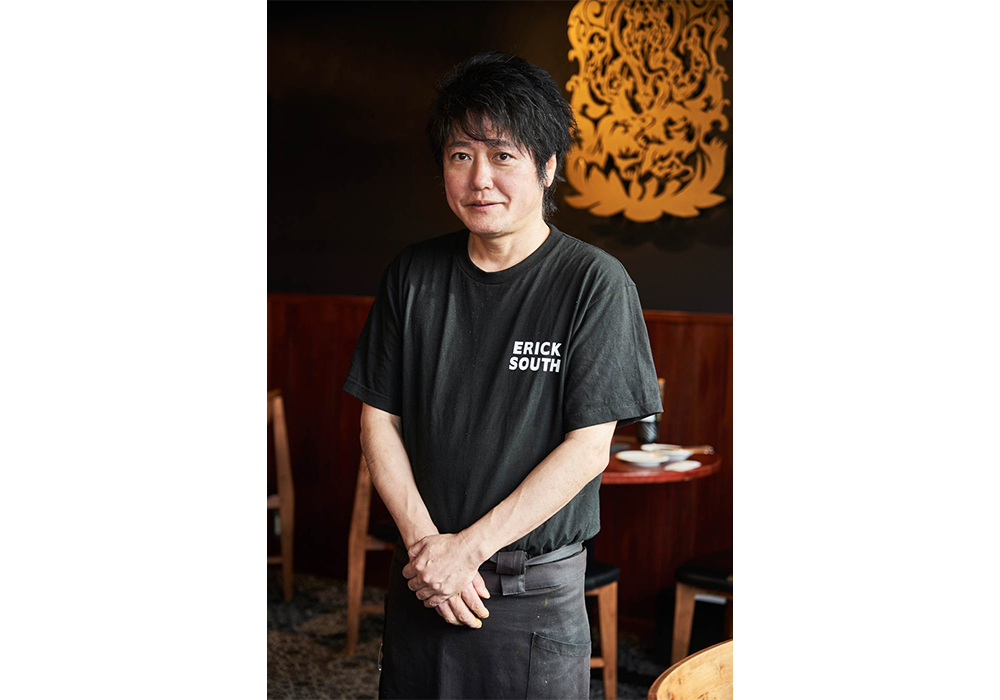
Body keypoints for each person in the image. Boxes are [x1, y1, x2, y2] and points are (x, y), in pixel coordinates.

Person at [343, 51, 661, 699]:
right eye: (460, 156)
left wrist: (467, 551)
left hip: (527, 590)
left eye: (503, 155)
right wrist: (430, 550)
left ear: (548, 167)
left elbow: (588, 449)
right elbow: (378, 420)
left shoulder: (593, 283)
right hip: (423, 578)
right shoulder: (413, 275)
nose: (479, 179)